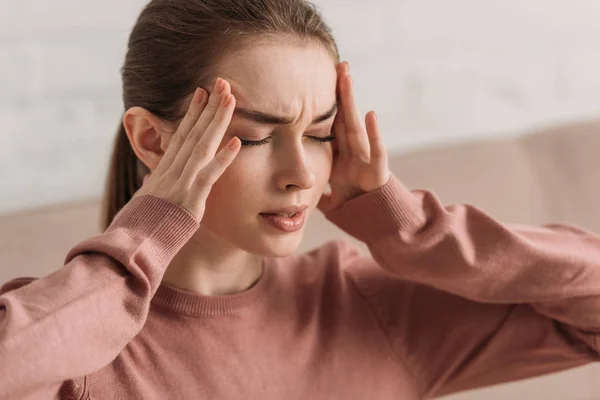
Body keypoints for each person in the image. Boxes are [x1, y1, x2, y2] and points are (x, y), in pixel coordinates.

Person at [1, 0, 599, 398]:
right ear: (153, 140)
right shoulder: (76, 345)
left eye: (319, 135)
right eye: (257, 137)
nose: (300, 176)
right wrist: (151, 230)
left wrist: (410, 230)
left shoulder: (361, 304)